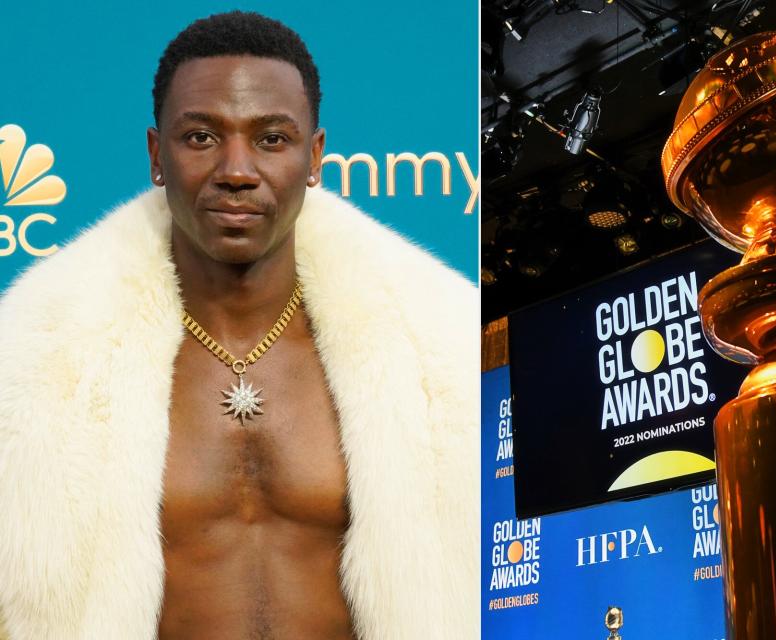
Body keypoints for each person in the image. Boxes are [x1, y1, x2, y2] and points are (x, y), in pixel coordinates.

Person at [0, 11, 477, 640]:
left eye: (271, 139)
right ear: (156, 155)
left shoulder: (438, 349)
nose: (237, 170)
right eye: (200, 137)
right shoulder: (36, 362)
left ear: (314, 156)